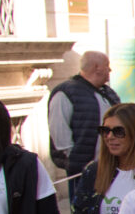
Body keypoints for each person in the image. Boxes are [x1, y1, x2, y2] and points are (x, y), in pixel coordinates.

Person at [48, 51, 120, 205]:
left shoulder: (107, 93)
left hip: (111, 166)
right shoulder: (66, 92)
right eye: (107, 66)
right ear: (97, 68)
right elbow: (59, 132)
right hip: (84, 170)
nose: (110, 71)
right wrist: (74, 159)